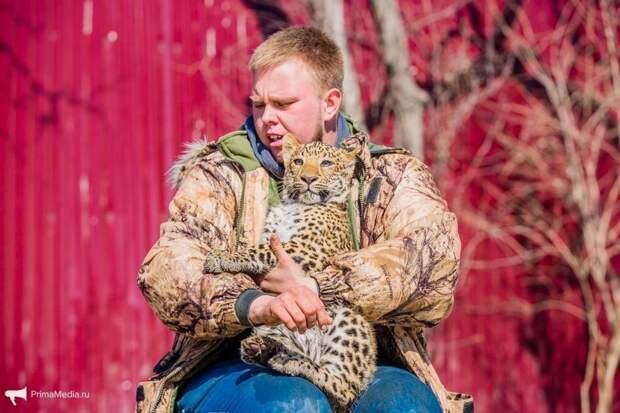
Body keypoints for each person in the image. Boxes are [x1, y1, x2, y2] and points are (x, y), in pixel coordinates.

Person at [136, 27, 472, 413]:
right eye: (259, 105)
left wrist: (316, 286)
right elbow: (167, 270)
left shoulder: (390, 173)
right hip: (235, 359)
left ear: (330, 104)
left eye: (284, 103)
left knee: (407, 407)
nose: (268, 120)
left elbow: (435, 263)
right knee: (295, 404)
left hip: (351, 358)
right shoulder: (221, 173)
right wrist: (255, 303)